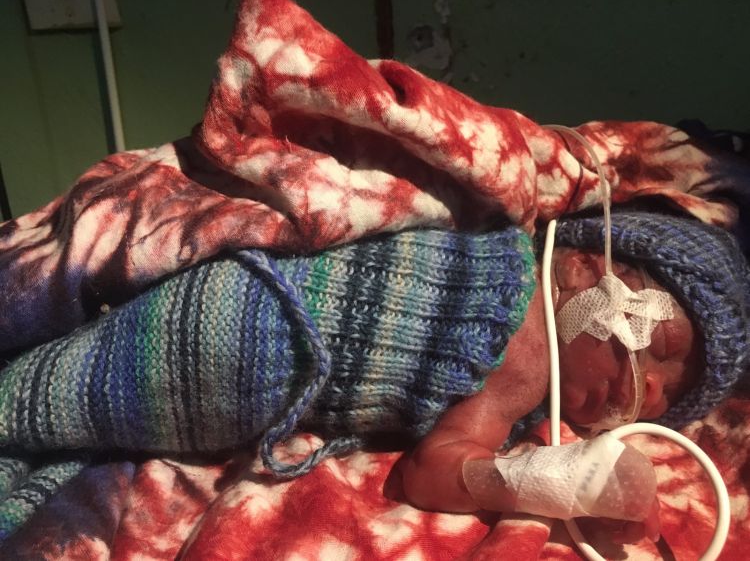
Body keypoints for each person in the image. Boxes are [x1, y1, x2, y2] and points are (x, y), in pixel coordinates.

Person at [0, 211, 746, 540]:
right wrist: (565, 485)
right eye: (655, 344)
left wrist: (566, 479)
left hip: (239, 350)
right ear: (586, 268)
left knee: (56, 389)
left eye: (670, 398)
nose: (648, 390)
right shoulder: (522, 335)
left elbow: (441, 462)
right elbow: (429, 476)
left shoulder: (519, 377)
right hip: (246, 317)